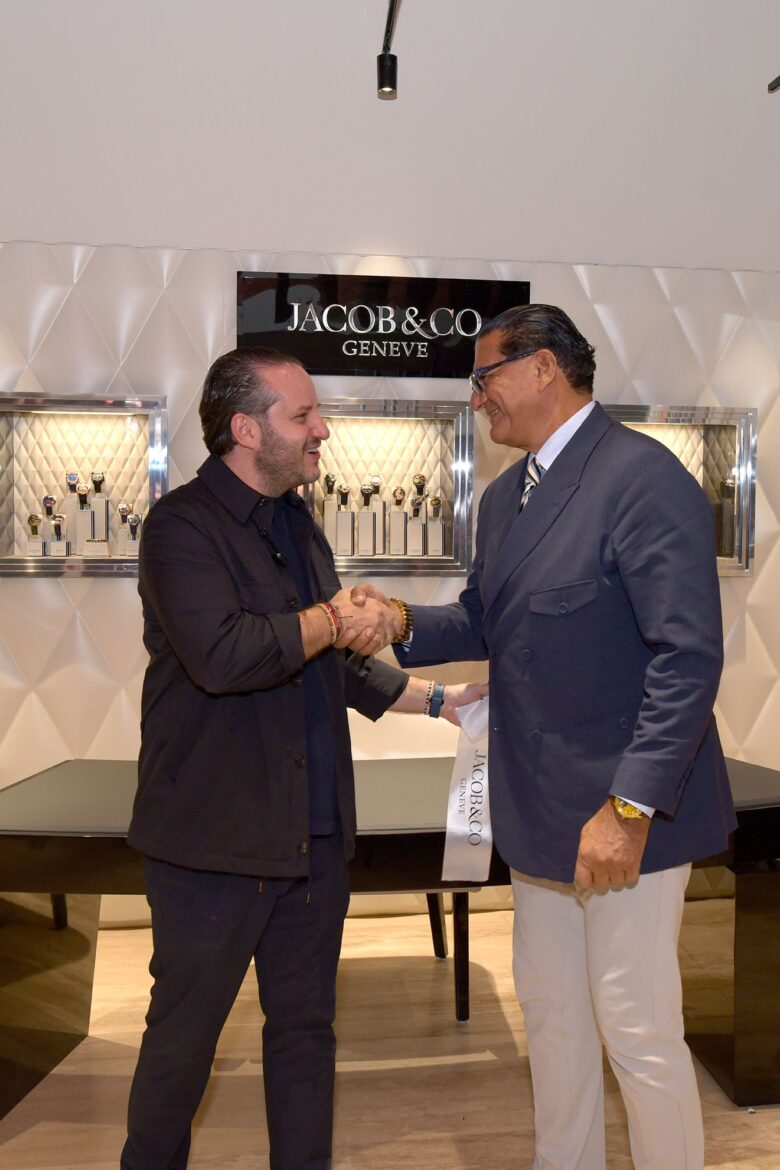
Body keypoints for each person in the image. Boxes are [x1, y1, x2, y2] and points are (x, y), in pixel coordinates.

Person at [367, 304, 736, 1170]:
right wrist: (395, 620)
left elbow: (687, 658)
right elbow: (485, 619)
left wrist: (629, 808)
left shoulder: (643, 478)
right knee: (554, 1015)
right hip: (540, 815)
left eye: (484, 377)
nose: (476, 399)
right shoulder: (506, 498)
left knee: (636, 1026)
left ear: (543, 369)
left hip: (624, 819)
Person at [121, 346, 484, 1170]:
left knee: (305, 1036)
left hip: (313, 843)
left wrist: (441, 701)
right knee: (183, 1045)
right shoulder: (180, 527)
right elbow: (225, 655)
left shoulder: (299, 522)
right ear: (247, 430)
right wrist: (333, 615)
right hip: (212, 846)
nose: (323, 429)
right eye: (303, 415)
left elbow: (334, 663)